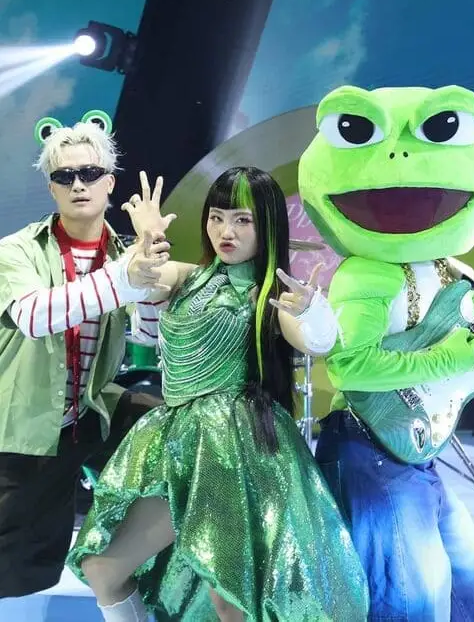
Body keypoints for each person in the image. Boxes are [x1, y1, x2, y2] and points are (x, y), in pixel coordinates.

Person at [66, 167, 369, 622]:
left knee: (231, 600)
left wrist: (312, 310)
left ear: (267, 225)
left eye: (243, 220)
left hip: (238, 453)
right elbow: (136, 279)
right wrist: (144, 243)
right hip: (174, 445)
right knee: (102, 569)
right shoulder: (183, 277)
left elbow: (317, 341)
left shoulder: (268, 296)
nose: (226, 231)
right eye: (217, 217)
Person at [298, 84, 474, 620]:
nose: (402, 159)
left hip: (418, 445)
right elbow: (350, 366)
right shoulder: (366, 275)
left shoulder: (456, 272)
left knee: (469, 574)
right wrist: (451, 359)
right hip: (368, 443)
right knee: (413, 592)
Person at [0, 114, 168, 599]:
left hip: (88, 411)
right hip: (22, 425)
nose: (78, 185)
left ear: (109, 183)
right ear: (52, 188)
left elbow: (148, 332)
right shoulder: (16, 250)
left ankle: (133, 560)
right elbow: (34, 315)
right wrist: (127, 276)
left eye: (90, 173)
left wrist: (152, 271)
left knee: (179, 433)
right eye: (65, 176)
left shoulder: (123, 254)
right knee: (16, 570)